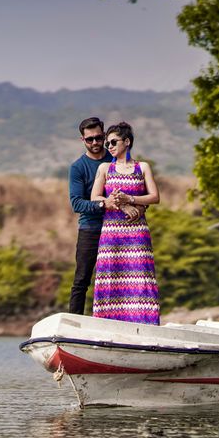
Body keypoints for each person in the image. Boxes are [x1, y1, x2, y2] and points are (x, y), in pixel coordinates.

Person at [89, 121, 160, 325]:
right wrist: (118, 205)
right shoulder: (105, 168)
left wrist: (131, 200)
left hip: (137, 232)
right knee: (111, 276)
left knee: (140, 276)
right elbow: (95, 197)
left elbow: (154, 197)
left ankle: (144, 323)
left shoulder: (142, 167)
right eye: (107, 144)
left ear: (126, 142)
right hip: (112, 233)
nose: (109, 146)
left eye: (113, 142)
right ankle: (107, 324)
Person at [67, 117, 114, 315]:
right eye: (90, 139)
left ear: (104, 136)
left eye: (98, 137)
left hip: (117, 227)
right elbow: (77, 203)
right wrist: (104, 204)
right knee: (82, 280)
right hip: (90, 228)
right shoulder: (78, 167)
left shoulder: (115, 161)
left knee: (116, 278)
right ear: (83, 140)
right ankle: (73, 326)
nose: (95, 142)